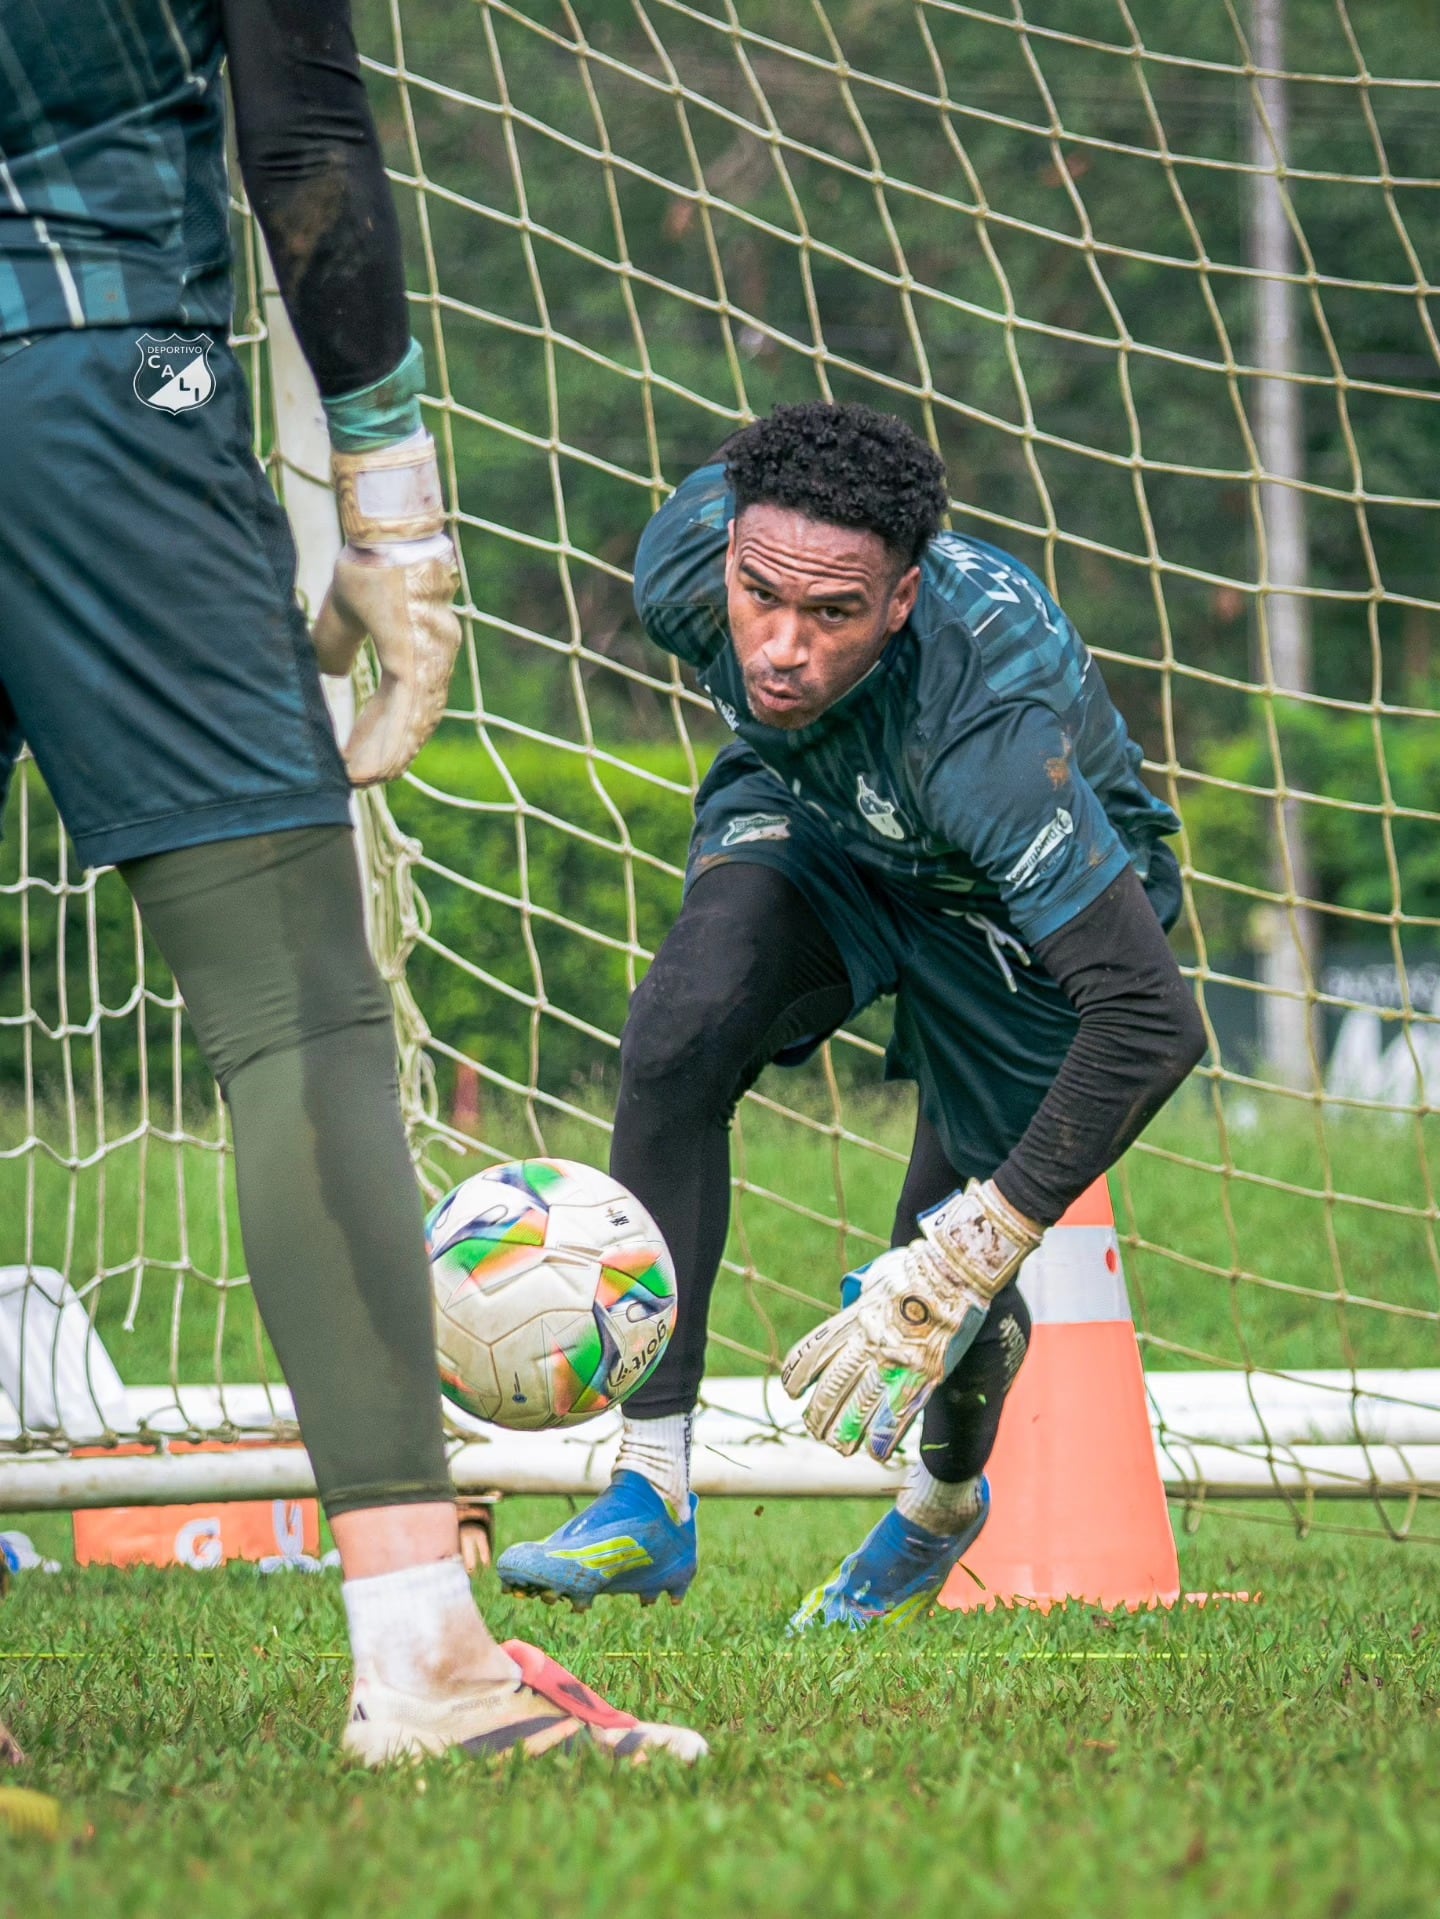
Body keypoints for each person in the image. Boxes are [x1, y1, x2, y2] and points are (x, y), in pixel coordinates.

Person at [0, 0, 702, 1763]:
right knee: (295, 1002)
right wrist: (389, 506)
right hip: (86, 387)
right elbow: (300, 134)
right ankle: (426, 1656)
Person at [496, 400, 1206, 1630]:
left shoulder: (982, 725)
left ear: (901, 601)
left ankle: (938, 1502)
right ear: (726, 556)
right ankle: (650, 1487)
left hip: (1006, 912)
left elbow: (1152, 1019)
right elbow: (755, 519)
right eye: (760, 595)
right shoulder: (686, 563)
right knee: (678, 1027)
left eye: (831, 616)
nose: (781, 648)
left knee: (936, 1264)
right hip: (823, 816)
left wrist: (969, 1248)